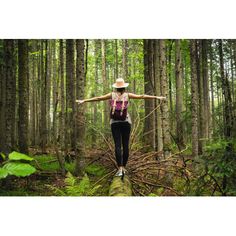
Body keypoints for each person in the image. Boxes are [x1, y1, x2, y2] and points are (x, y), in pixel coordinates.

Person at [76, 78, 166, 177]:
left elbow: (98, 98)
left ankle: (119, 169)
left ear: (116, 87)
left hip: (114, 123)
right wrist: (157, 97)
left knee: (118, 146)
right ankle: (124, 167)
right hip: (126, 122)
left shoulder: (111, 95)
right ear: (124, 87)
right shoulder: (127, 95)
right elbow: (142, 96)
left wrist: (84, 100)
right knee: (126, 145)